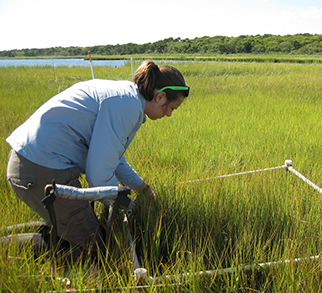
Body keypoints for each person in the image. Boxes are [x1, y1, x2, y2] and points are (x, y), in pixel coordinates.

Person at [6, 60, 189, 255]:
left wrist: (143, 188)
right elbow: (99, 175)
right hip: (41, 168)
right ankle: (7, 248)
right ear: (160, 97)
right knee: (95, 248)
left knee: (78, 225)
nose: (169, 114)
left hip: (32, 161)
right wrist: (127, 207)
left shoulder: (127, 98)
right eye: (172, 108)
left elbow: (112, 157)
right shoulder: (127, 106)